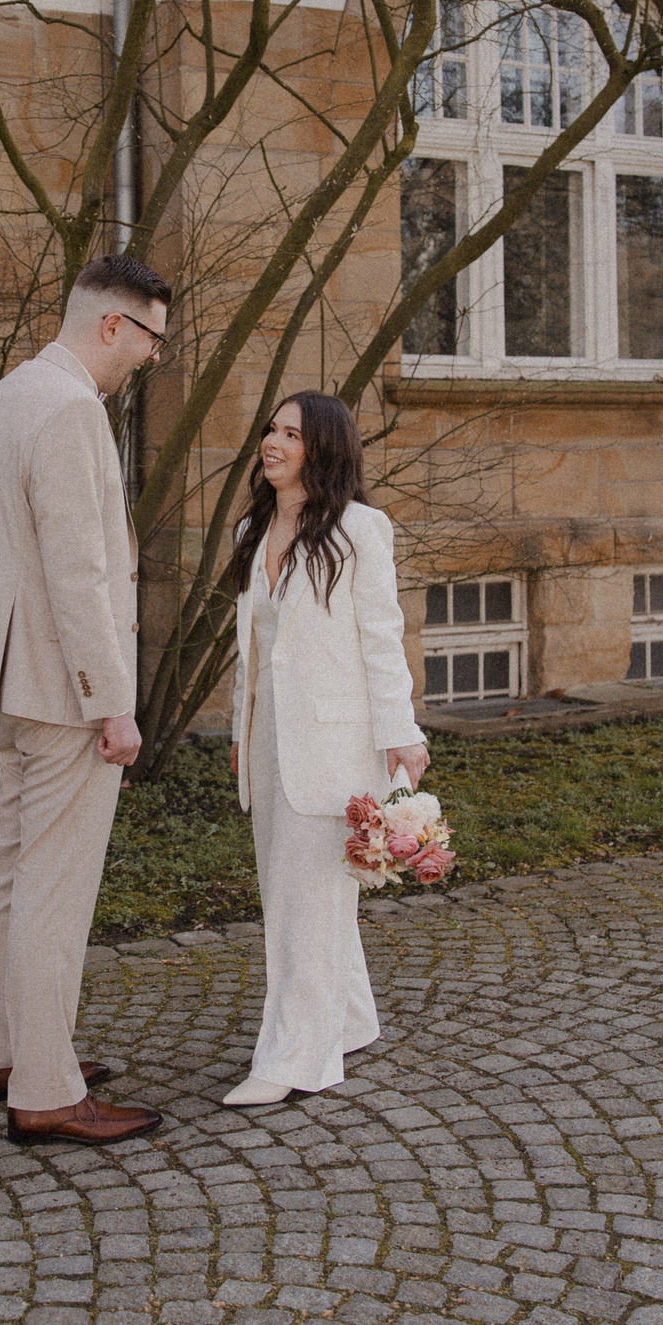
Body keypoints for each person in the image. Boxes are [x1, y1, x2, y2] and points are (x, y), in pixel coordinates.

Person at [0, 254, 173, 1146]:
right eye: (151, 338)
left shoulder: (14, 391)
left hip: (10, 676)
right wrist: (112, 701)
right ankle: (44, 1086)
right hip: (62, 686)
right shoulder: (74, 409)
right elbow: (78, 573)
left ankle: (3, 1052)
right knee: (53, 886)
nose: (154, 357)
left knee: (10, 869)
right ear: (112, 324)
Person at [222, 390, 429, 1108]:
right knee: (301, 892)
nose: (271, 443)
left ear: (325, 448)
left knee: (299, 903)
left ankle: (295, 1057)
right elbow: (252, 647)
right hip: (271, 741)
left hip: (337, 742)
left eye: (290, 433)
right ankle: (348, 1017)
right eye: (269, 428)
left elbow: (382, 635)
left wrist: (401, 732)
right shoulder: (253, 525)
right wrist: (238, 729)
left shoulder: (360, 530)